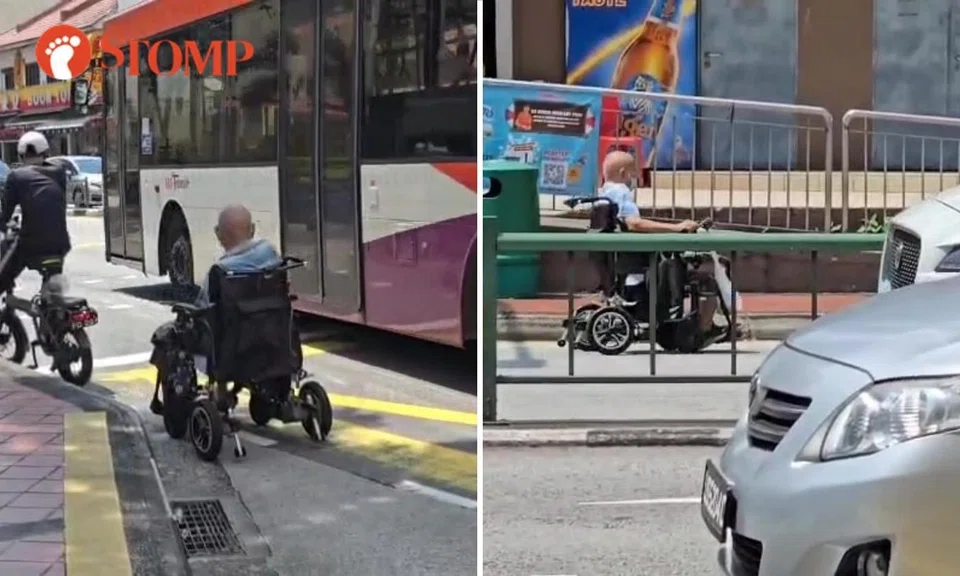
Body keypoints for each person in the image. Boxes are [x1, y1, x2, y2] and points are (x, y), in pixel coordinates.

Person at [598, 150, 721, 338]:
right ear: (623, 173)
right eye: (633, 173)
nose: (635, 178)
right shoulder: (621, 193)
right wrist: (677, 227)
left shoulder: (604, 194)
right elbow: (634, 223)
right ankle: (704, 329)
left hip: (621, 267)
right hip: (641, 264)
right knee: (706, 280)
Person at [0, 131, 71, 294]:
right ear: (46, 153)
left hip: (30, 245)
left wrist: (5, 226)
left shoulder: (16, 176)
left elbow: (6, 215)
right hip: (60, 245)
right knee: (52, 287)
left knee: (3, 276)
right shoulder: (59, 172)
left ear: (20, 156)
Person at [195, 204, 281, 307]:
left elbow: (203, 308)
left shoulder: (219, 271)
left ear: (218, 234)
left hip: (231, 322)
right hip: (275, 320)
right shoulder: (270, 252)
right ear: (252, 229)